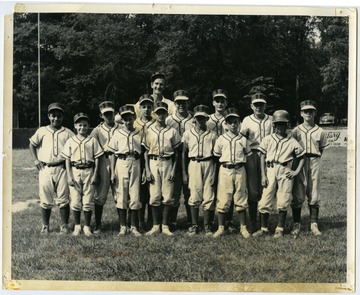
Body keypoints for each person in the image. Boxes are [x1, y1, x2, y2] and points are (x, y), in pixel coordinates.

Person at [253, 110, 305, 238]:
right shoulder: (268, 139)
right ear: (274, 125)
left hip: (284, 170)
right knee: (265, 198)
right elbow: (262, 156)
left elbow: (302, 156)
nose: (280, 127)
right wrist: (263, 175)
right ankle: (263, 228)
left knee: (283, 199)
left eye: (283, 124)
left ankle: (279, 228)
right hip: (270, 169)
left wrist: (296, 171)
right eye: (277, 124)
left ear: (287, 125)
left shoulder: (292, 141)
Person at [29, 103, 74, 234]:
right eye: (53, 115)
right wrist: (35, 159)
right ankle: (45, 225)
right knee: (45, 197)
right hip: (45, 167)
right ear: (49, 116)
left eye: (59, 116)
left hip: (61, 168)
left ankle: (64, 225)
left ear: (63, 117)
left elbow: (75, 145)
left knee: (63, 198)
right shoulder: (42, 130)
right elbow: (32, 144)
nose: (56, 118)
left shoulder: (67, 132)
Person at [142, 101, 181, 236]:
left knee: (168, 196)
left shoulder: (172, 131)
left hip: (167, 162)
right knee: (154, 195)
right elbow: (145, 152)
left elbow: (177, 153)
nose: (160, 115)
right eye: (158, 112)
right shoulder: (149, 130)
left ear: (166, 114)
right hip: (153, 162)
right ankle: (155, 225)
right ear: (154, 114)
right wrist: (147, 169)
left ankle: (165, 225)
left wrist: (174, 169)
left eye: (163, 112)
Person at [61, 113, 103, 236]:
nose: (82, 128)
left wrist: (95, 174)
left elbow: (97, 159)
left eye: (85, 125)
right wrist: (69, 175)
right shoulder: (70, 141)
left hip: (89, 171)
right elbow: (67, 159)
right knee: (75, 200)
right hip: (75, 170)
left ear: (88, 126)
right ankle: (77, 226)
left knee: (88, 199)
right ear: (75, 126)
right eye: (79, 125)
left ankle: (87, 226)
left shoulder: (93, 140)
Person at [212, 108, 252, 238]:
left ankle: (243, 227)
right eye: (230, 122)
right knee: (223, 198)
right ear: (226, 124)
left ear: (239, 123)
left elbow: (248, 156)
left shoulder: (243, 139)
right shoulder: (221, 139)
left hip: (240, 169)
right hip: (225, 169)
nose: (233, 125)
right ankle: (221, 227)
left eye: (236, 122)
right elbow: (216, 156)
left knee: (240, 197)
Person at [291, 100, 328, 237]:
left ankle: (314, 224)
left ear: (315, 113)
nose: (308, 113)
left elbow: (321, 149)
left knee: (314, 191)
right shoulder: (296, 130)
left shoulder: (320, 131)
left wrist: (314, 159)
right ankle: (297, 224)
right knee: (298, 192)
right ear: (301, 113)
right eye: (305, 111)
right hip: (300, 161)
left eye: (311, 111)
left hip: (314, 160)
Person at [182, 105, 217, 235]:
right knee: (195, 194)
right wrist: (185, 172)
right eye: (198, 118)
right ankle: (194, 225)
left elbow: (216, 156)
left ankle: (207, 225)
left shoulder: (213, 134)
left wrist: (214, 171)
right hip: (194, 163)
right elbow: (184, 154)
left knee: (209, 194)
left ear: (207, 118)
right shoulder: (187, 133)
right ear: (194, 119)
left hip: (208, 162)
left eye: (203, 118)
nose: (200, 120)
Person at [240, 93, 273, 233]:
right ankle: (253, 222)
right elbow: (241, 140)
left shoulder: (271, 119)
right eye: (256, 104)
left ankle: (264, 223)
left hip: (268, 154)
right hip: (252, 153)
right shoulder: (247, 120)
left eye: (261, 104)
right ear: (251, 106)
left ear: (265, 105)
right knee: (253, 189)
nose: (259, 107)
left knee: (266, 187)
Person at [108, 105, 142, 236]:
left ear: (134, 118)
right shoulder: (117, 133)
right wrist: (112, 172)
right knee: (121, 194)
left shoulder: (139, 132)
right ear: (122, 120)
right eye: (125, 119)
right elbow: (112, 154)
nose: (128, 121)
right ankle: (123, 226)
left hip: (135, 161)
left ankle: (134, 226)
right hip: (121, 162)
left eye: (130, 118)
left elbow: (143, 152)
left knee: (135, 194)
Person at [90, 101, 122, 234]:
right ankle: (98, 225)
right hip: (103, 160)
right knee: (100, 194)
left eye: (111, 113)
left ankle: (123, 224)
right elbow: (92, 150)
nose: (109, 116)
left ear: (114, 113)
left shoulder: (121, 128)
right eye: (106, 114)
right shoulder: (97, 130)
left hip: (119, 159)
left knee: (119, 193)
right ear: (101, 115)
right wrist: (95, 171)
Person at [206, 89, 235, 232]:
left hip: (227, 157)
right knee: (211, 188)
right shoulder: (207, 119)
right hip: (211, 157)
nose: (220, 103)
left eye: (222, 101)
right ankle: (210, 221)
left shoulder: (231, 119)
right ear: (213, 102)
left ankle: (228, 221)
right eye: (217, 100)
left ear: (226, 102)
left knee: (229, 189)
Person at [166, 89, 194, 230]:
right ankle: (173, 221)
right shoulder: (168, 119)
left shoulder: (193, 119)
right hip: (173, 158)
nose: (181, 105)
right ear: (175, 103)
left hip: (190, 157)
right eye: (178, 102)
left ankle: (191, 221)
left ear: (188, 102)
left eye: (184, 102)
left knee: (189, 190)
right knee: (174, 191)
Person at [133, 94, 156, 231]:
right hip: (137, 158)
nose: (146, 109)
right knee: (140, 192)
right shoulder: (134, 122)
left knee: (152, 190)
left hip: (152, 157)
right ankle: (140, 221)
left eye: (149, 106)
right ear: (139, 108)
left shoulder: (156, 121)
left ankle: (152, 220)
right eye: (143, 106)